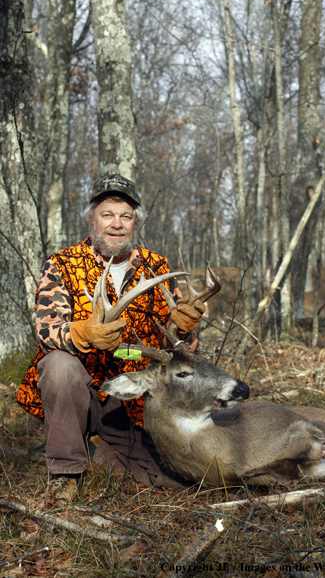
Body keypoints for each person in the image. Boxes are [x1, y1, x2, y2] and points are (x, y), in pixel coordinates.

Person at [17, 174, 205, 503]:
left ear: (136, 223)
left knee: (180, 477)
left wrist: (184, 331)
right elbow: (47, 330)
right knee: (59, 364)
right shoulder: (62, 264)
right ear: (92, 219)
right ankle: (65, 472)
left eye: (126, 216)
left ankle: (102, 456)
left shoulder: (156, 268)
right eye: (107, 214)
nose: (116, 224)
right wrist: (82, 333)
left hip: (132, 399)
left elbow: (180, 352)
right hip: (83, 389)